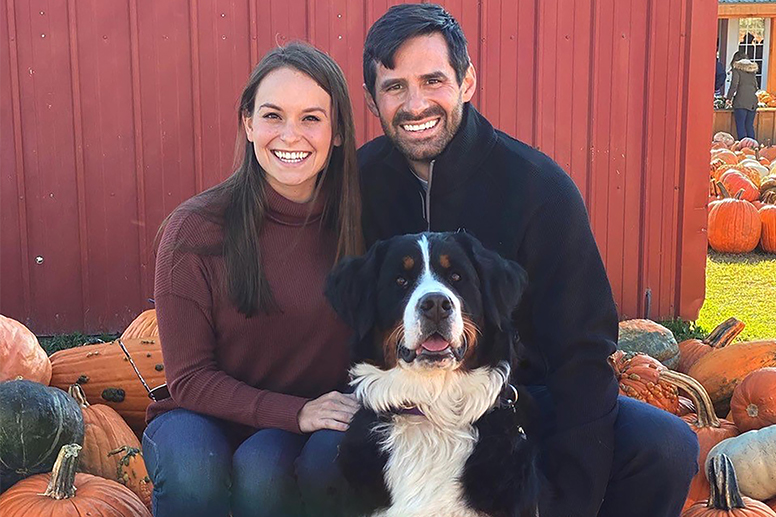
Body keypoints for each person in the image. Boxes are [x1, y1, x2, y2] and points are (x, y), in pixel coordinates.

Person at [357, 4, 699, 517]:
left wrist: (570, 500)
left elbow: (584, 351)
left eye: (433, 80)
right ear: (373, 99)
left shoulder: (539, 188)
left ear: (467, 81)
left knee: (664, 445)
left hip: (518, 398)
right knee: (325, 455)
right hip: (402, 406)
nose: (416, 103)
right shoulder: (356, 184)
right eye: (395, 87)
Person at [142, 42, 362, 517]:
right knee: (192, 466)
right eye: (272, 115)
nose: (290, 134)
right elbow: (189, 379)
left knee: (264, 474)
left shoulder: (359, 226)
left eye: (311, 118)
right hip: (200, 417)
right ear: (248, 123)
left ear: (338, 130)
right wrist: (295, 412)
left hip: (298, 426)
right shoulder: (195, 229)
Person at [727, 49, 759, 140]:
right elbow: (756, 86)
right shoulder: (752, 71)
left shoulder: (737, 69)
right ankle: (752, 147)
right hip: (752, 102)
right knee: (749, 126)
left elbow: (734, 85)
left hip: (741, 102)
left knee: (741, 126)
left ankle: (743, 148)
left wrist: (728, 98)